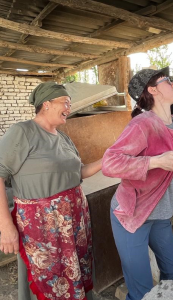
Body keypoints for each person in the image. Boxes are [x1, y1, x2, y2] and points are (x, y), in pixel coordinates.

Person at [102, 66, 173, 300]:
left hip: (160, 215)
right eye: (168, 81)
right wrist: (155, 161)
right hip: (131, 215)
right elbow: (110, 163)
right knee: (141, 289)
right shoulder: (142, 124)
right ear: (152, 90)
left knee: (172, 270)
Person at [0, 82, 102, 300]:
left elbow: (79, 173)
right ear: (46, 104)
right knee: (48, 278)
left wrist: (107, 159)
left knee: (74, 274)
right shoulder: (23, 132)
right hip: (42, 227)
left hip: (73, 223)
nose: (69, 107)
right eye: (65, 102)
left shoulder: (63, 137)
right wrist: (5, 226)